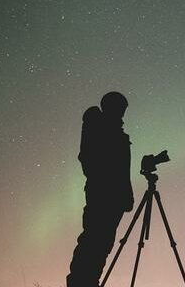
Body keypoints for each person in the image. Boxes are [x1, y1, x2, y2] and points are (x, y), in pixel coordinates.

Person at [67, 92, 134, 287]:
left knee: (103, 243)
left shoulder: (115, 132)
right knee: (94, 241)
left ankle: (89, 281)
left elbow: (122, 169)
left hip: (114, 199)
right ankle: (81, 282)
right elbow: (90, 160)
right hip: (102, 196)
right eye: (120, 108)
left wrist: (126, 194)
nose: (122, 114)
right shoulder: (99, 126)